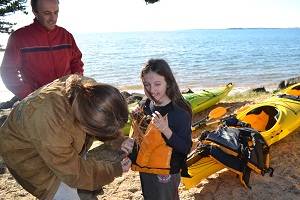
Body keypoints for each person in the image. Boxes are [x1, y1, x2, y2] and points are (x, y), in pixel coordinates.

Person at [0, 74, 132, 199]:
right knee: (63, 193)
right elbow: (75, 172)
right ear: (86, 125)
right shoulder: (53, 124)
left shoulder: (89, 91)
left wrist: (119, 140)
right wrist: (114, 169)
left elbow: (103, 118)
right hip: (24, 152)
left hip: (51, 137)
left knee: (82, 185)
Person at [125, 59, 192, 200]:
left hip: (167, 171)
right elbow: (140, 140)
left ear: (168, 82)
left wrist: (166, 130)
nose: (151, 90)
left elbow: (185, 148)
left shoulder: (180, 112)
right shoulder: (145, 105)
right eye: (146, 85)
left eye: (157, 84)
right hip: (145, 167)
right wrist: (130, 156)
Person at [0, 0, 84, 108]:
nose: (53, 18)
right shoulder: (19, 38)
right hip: (37, 102)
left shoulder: (66, 35)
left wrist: (74, 86)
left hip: (66, 98)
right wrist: (29, 96)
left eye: (56, 12)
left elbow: (76, 62)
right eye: (47, 13)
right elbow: (8, 72)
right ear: (35, 12)